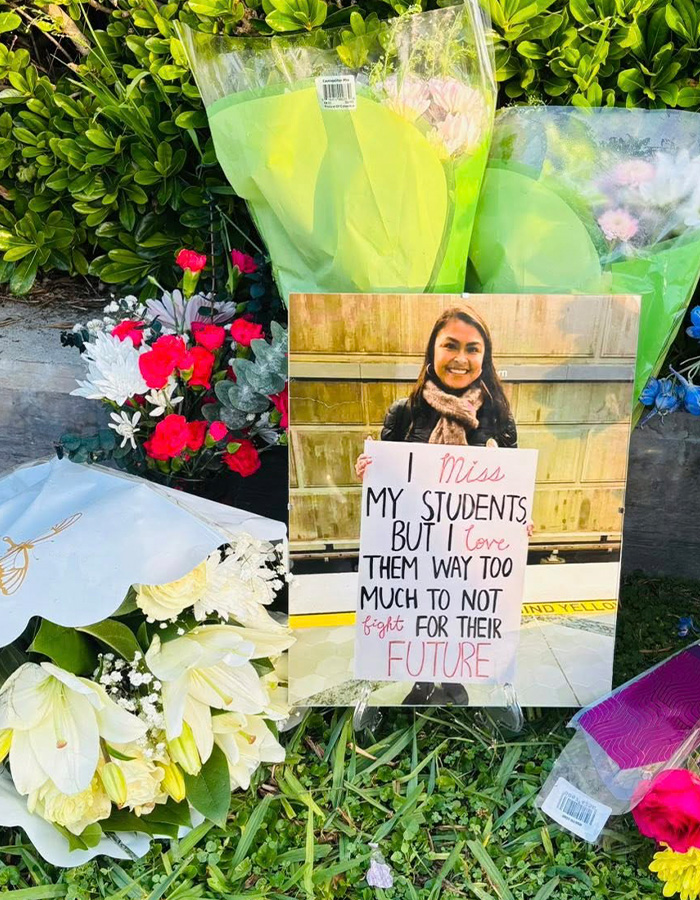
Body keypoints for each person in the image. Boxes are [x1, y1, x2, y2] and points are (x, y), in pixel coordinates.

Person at [355, 304, 518, 706]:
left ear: (484, 356)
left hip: (470, 546)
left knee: (459, 608)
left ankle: (454, 674)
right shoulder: (405, 411)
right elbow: (387, 480)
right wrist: (369, 470)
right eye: (450, 345)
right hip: (416, 539)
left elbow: (511, 486)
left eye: (472, 348)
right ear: (433, 350)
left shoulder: (498, 416)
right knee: (421, 608)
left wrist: (518, 518)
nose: (461, 358)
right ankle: (423, 678)